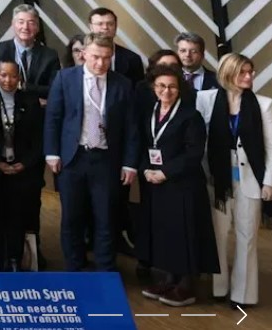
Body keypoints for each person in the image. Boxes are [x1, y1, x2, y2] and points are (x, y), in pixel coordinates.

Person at [45, 34, 138, 272]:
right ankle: (75, 268)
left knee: (106, 217)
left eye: (106, 58)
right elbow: (53, 118)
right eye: (96, 57)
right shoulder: (65, 78)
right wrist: (52, 153)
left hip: (106, 160)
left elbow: (131, 127)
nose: (100, 63)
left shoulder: (123, 84)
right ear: (84, 54)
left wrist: (129, 163)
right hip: (72, 159)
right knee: (72, 217)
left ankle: (106, 269)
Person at [134, 66, 217, 307]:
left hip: (184, 185)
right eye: (161, 86)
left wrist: (165, 172)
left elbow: (194, 153)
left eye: (172, 86)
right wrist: (145, 169)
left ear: (180, 89)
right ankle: (169, 279)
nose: (166, 91)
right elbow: (143, 145)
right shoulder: (150, 112)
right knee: (165, 231)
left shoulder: (190, 116)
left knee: (185, 233)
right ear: (154, 87)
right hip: (157, 183)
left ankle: (187, 285)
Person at [199, 54, 270, 306]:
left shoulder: (264, 105)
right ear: (227, 73)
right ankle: (219, 288)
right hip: (216, 178)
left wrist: (269, 182)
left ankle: (243, 294)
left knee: (247, 237)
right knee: (218, 234)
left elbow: (271, 148)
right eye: (243, 72)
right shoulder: (205, 99)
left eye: (251, 71)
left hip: (250, 178)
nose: (250, 76)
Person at [0, 60, 42, 272]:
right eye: (3, 75)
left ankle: (14, 260)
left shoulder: (30, 101)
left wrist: (24, 163)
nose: (8, 80)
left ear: (19, 78)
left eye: (13, 76)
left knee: (17, 217)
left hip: (21, 170)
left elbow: (38, 139)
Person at [0, 5, 61, 98]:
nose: (25, 27)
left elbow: (55, 89)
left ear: (37, 27)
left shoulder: (50, 56)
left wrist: (25, 87)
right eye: (21, 22)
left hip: (37, 107)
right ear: (13, 24)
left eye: (31, 23)